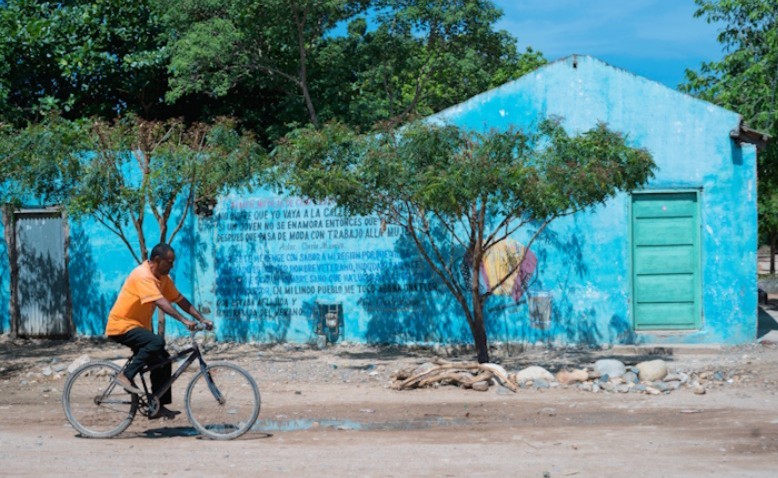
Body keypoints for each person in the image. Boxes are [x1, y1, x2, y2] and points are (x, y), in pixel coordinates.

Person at [105, 243, 212, 419]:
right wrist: (184, 320)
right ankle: (126, 375)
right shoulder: (143, 275)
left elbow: (180, 300)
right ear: (157, 260)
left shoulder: (163, 279)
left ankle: (157, 405)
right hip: (121, 325)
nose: (171, 266)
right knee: (156, 342)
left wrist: (201, 318)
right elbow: (161, 302)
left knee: (163, 359)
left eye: (172, 262)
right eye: (169, 262)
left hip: (138, 326)